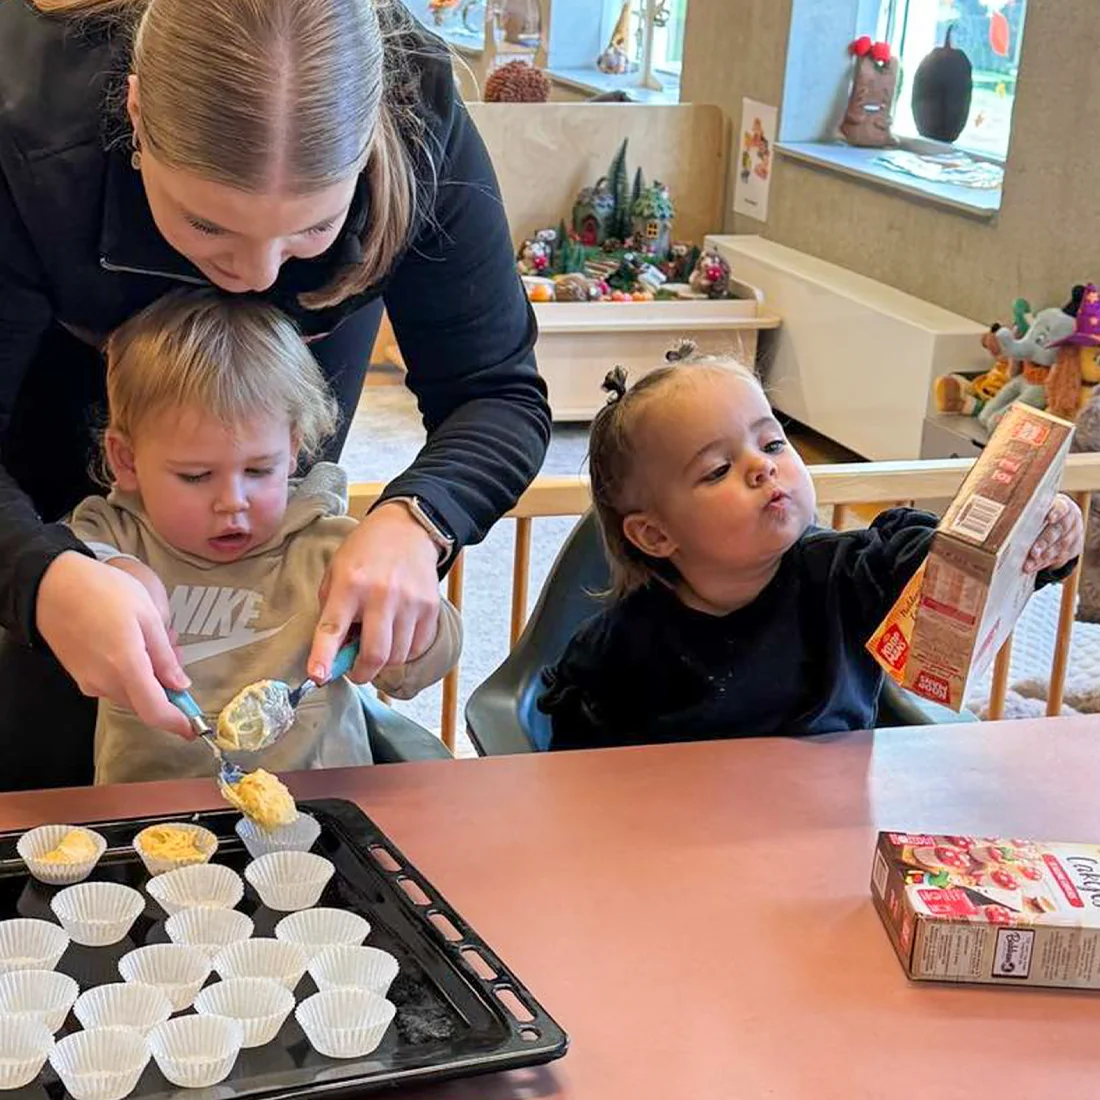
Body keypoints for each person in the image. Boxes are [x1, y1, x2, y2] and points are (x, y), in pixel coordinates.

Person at [0, 0, 548, 789]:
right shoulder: (28, 135)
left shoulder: (420, 112)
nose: (257, 277)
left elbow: (495, 391)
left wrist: (419, 520)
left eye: (312, 232)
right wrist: (42, 576)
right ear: (135, 112)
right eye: (205, 224)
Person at [539, 352, 1084, 749]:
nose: (763, 466)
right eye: (718, 470)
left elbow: (936, 565)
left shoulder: (847, 574)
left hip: (827, 831)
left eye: (772, 442)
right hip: (685, 844)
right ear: (657, 536)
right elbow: (578, 766)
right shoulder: (624, 641)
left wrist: (1038, 541)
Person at [69, 289, 462, 784]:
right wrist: (107, 574)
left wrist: (407, 621)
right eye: (195, 475)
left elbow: (415, 675)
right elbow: (68, 561)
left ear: (293, 449)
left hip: (320, 813)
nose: (233, 500)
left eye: (259, 469)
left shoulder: (332, 549)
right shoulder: (114, 535)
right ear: (126, 460)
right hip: (152, 821)